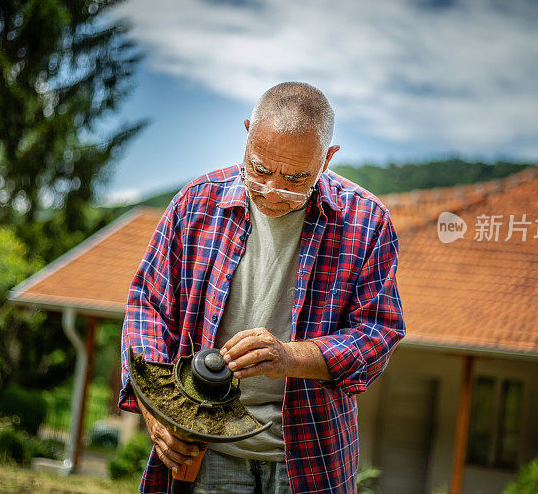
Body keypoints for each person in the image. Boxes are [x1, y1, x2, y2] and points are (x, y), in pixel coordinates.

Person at [119, 82, 405, 493]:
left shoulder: (367, 222)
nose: (273, 190)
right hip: (205, 450)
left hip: (309, 457)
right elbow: (147, 307)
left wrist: (291, 357)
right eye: (259, 168)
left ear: (327, 158)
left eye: (295, 178)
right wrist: (156, 407)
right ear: (248, 132)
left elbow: (378, 333)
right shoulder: (196, 203)